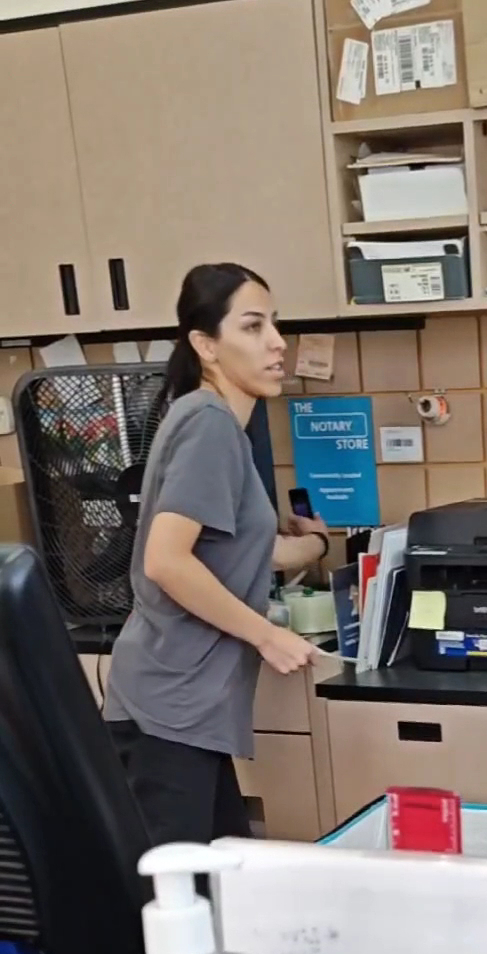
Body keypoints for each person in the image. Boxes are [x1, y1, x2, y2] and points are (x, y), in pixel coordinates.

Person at [105, 262, 329, 844]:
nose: (277, 342)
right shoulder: (209, 424)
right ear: (205, 345)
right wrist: (268, 635)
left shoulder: (215, 424)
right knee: (181, 886)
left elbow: (247, 551)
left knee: (223, 875)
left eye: (275, 324)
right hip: (168, 707)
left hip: (187, 711)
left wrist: (319, 542)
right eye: (253, 327)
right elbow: (166, 561)